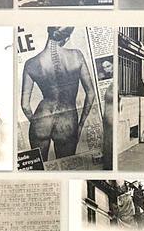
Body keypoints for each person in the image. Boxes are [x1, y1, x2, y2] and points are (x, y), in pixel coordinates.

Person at [20, 26, 97, 161]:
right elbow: (90, 93)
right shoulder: (76, 55)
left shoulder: (31, 63)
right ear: (66, 38)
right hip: (67, 120)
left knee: (38, 170)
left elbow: (25, 105)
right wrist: (80, 125)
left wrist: (36, 123)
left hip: (42, 118)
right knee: (65, 168)